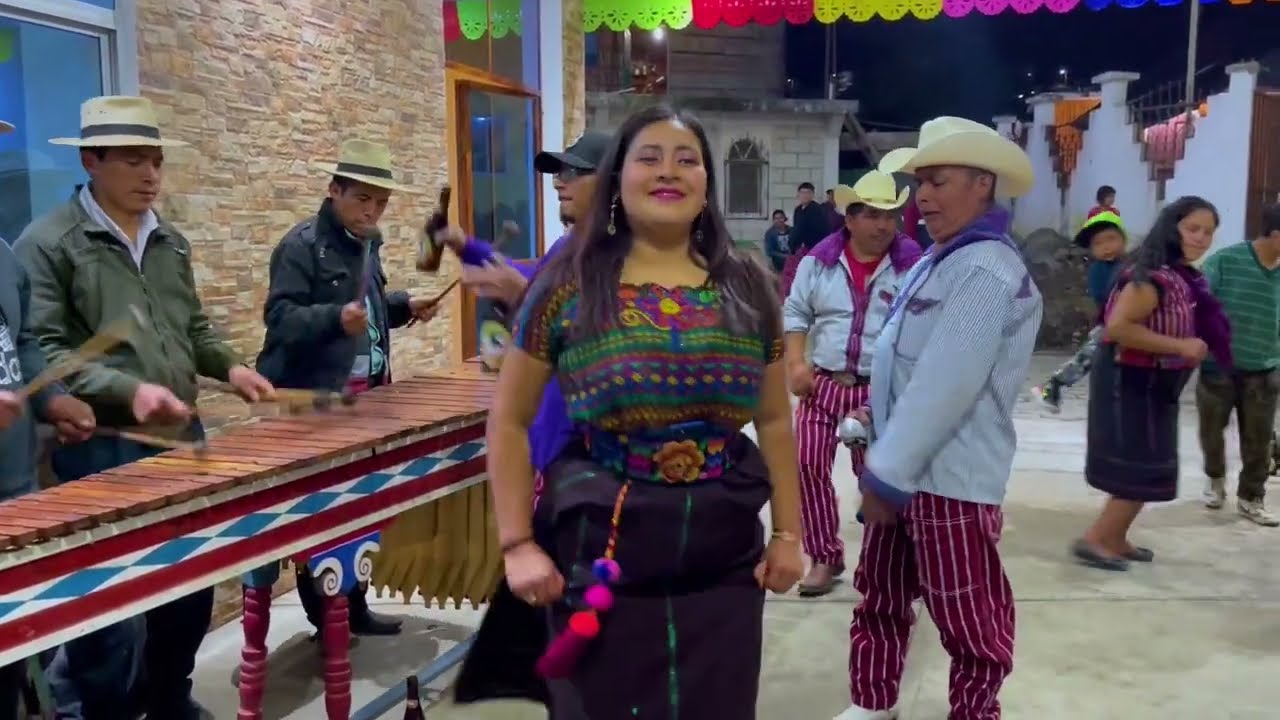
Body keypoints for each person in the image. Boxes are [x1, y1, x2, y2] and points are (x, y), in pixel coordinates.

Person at [486, 105, 804, 719]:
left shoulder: (748, 285)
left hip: (724, 548)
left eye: (687, 160)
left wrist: (790, 533)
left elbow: (772, 420)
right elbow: (509, 419)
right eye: (649, 158)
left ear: (707, 181)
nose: (669, 172)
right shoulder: (568, 283)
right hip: (602, 543)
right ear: (617, 178)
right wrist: (517, 543)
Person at [14, 95, 275, 720]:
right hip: (101, 447)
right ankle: (103, 710)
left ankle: (168, 696)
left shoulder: (170, 242)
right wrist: (126, 390)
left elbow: (194, 329)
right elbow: (40, 347)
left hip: (181, 437)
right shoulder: (46, 243)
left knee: (188, 583)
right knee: (110, 607)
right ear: (91, 160)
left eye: (156, 160)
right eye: (133, 160)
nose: (150, 174)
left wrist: (231, 365)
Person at [837, 116, 1041, 720]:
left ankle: (975, 714)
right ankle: (874, 704)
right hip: (904, 466)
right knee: (881, 597)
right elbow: (904, 361)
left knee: (967, 616)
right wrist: (874, 415)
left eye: (938, 180)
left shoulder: (985, 271)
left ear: (983, 183)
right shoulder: (939, 259)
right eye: (921, 182)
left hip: (950, 478)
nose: (922, 196)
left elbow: (946, 386)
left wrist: (884, 477)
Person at [255, 138, 445, 638]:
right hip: (317, 403)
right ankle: (328, 619)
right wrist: (334, 318)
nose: (372, 210)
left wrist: (404, 306)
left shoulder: (367, 242)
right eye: (363, 199)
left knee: (358, 507)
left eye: (380, 202)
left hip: (367, 399)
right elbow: (279, 319)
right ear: (334, 189)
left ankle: (352, 608)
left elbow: (370, 309)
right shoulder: (301, 247)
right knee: (323, 514)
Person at [1072, 196, 1231, 571]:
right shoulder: (1150, 277)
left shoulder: (1178, 274)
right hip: (1131, 382)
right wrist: (1181, 345)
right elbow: (1119, 329)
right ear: (1172, 228)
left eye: (1208, 232)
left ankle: (1115, 538)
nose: (1202, 238)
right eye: (1193, 229)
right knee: (1138, 466)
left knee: (1150, 464)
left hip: (1155, 385)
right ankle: (1096, 540)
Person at [783, 173, 921, 597]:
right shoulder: (819, 263)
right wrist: (795, 363)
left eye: (891, 216)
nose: (884, 226)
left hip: (877, 391)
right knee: (807, 467)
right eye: (874, 215)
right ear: (852, 217)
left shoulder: (912, 266)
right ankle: (824, 557)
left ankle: (889, 562)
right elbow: (795, 313)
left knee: (876, 479)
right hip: (822, 385)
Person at [0, 143, 97, 717]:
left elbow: (25, 344)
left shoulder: (4, 257)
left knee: (13, 665)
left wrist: (54, 399)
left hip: (14, 493)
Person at [1195, 201, 1280, 526]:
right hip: (1219, 368)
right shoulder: (1225, 262)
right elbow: (1200, 306)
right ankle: (1215, 479)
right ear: (1275, 236)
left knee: (1258, 439)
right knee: (1211, 432)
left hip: (1264, 369)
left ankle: (1251, 497)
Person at [1032, 211, 1127, 413]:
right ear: (1091, 250)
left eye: (1111, 239)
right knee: (1087, 357)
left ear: (1123, 240)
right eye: (1098, 244)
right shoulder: (1099, 271)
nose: (1107, 247)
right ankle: (1053, 386)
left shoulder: (1128, 266)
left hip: (1122, 325)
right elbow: (1103, 299)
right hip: (1110, 324)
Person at [780, 181, 832, 297]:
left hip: (815, 248)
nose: (804, 196)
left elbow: (805, 229)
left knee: (809, 275)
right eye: (802, 193)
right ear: (798, 195)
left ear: (812, 195)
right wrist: (793, 245)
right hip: (801, 248)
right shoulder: (798, 210)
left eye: (807, 193)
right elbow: (797, 229)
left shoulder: (816, 210)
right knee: (791, 273)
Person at [763, 208, 792, 273]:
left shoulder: (792, 231)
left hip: (792, 265)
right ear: (773, 220)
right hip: (777, 267)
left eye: (781, 218)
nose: (779, 220)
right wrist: (784, 256)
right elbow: (769, 251)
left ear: (785, 219)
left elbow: (797, 246)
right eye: (776, 218)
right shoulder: (770, 233)